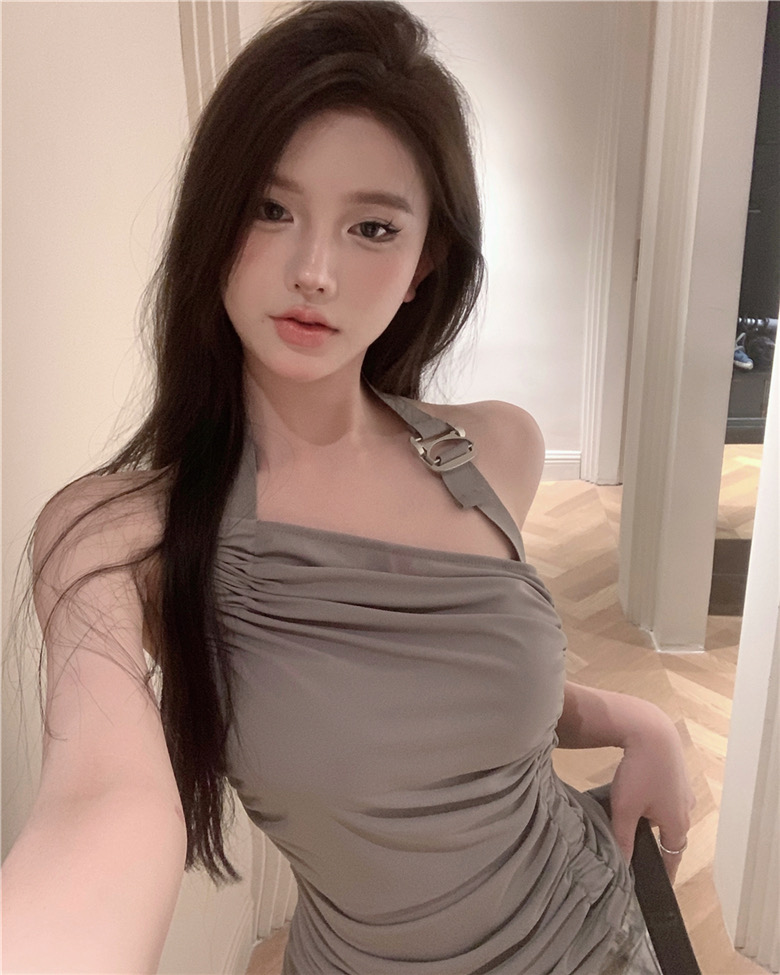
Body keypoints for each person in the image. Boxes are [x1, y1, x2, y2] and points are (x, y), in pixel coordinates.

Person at [2, 2, 695, 972]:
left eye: (372, 227)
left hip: (593, 930)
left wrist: (635, 718)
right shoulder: (118, 537)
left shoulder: (496, 450)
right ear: (213, 218)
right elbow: (102, 803)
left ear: (422, 265)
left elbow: (446, 688)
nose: (315, 271)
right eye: (270, 209)